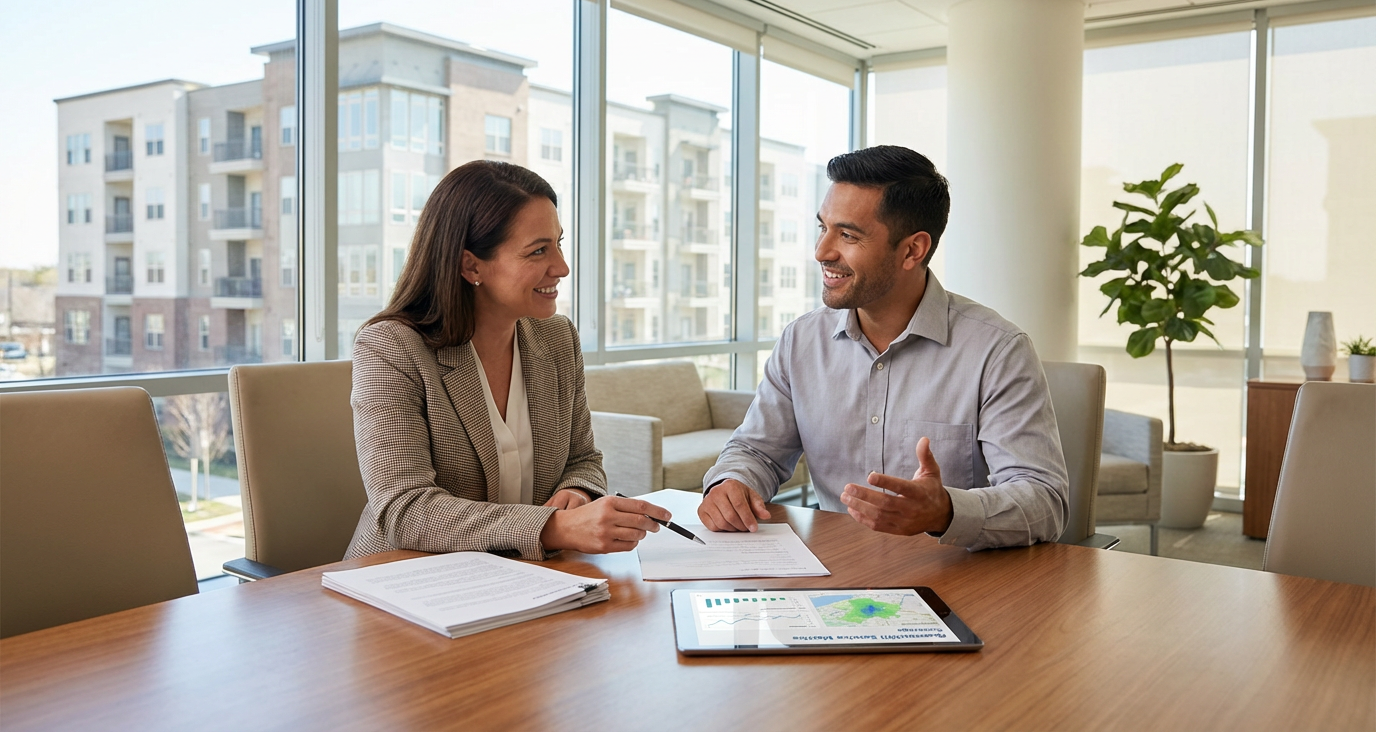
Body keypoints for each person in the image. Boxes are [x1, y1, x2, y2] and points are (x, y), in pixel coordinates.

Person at [699, 146, 1068, 551]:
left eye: (848, 235)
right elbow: (756, 450)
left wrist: (946, 511)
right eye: (822, 228)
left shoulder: (997, 351)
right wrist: (732, 481)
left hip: (959, 581)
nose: (822, 251)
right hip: (834, 578)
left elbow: (1044, 501)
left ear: (913, 249)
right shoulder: (801, 341)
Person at [345, 160, 669, 561]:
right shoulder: (392, 347)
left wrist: (577, 492)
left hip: (527, 577)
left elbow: (582, 459)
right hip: (407, 580)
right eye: (538, 251)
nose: (562, 268)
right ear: (471, 265)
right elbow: (405, 509)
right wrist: (552, 528)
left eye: (558, 243)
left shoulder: (557, 338)